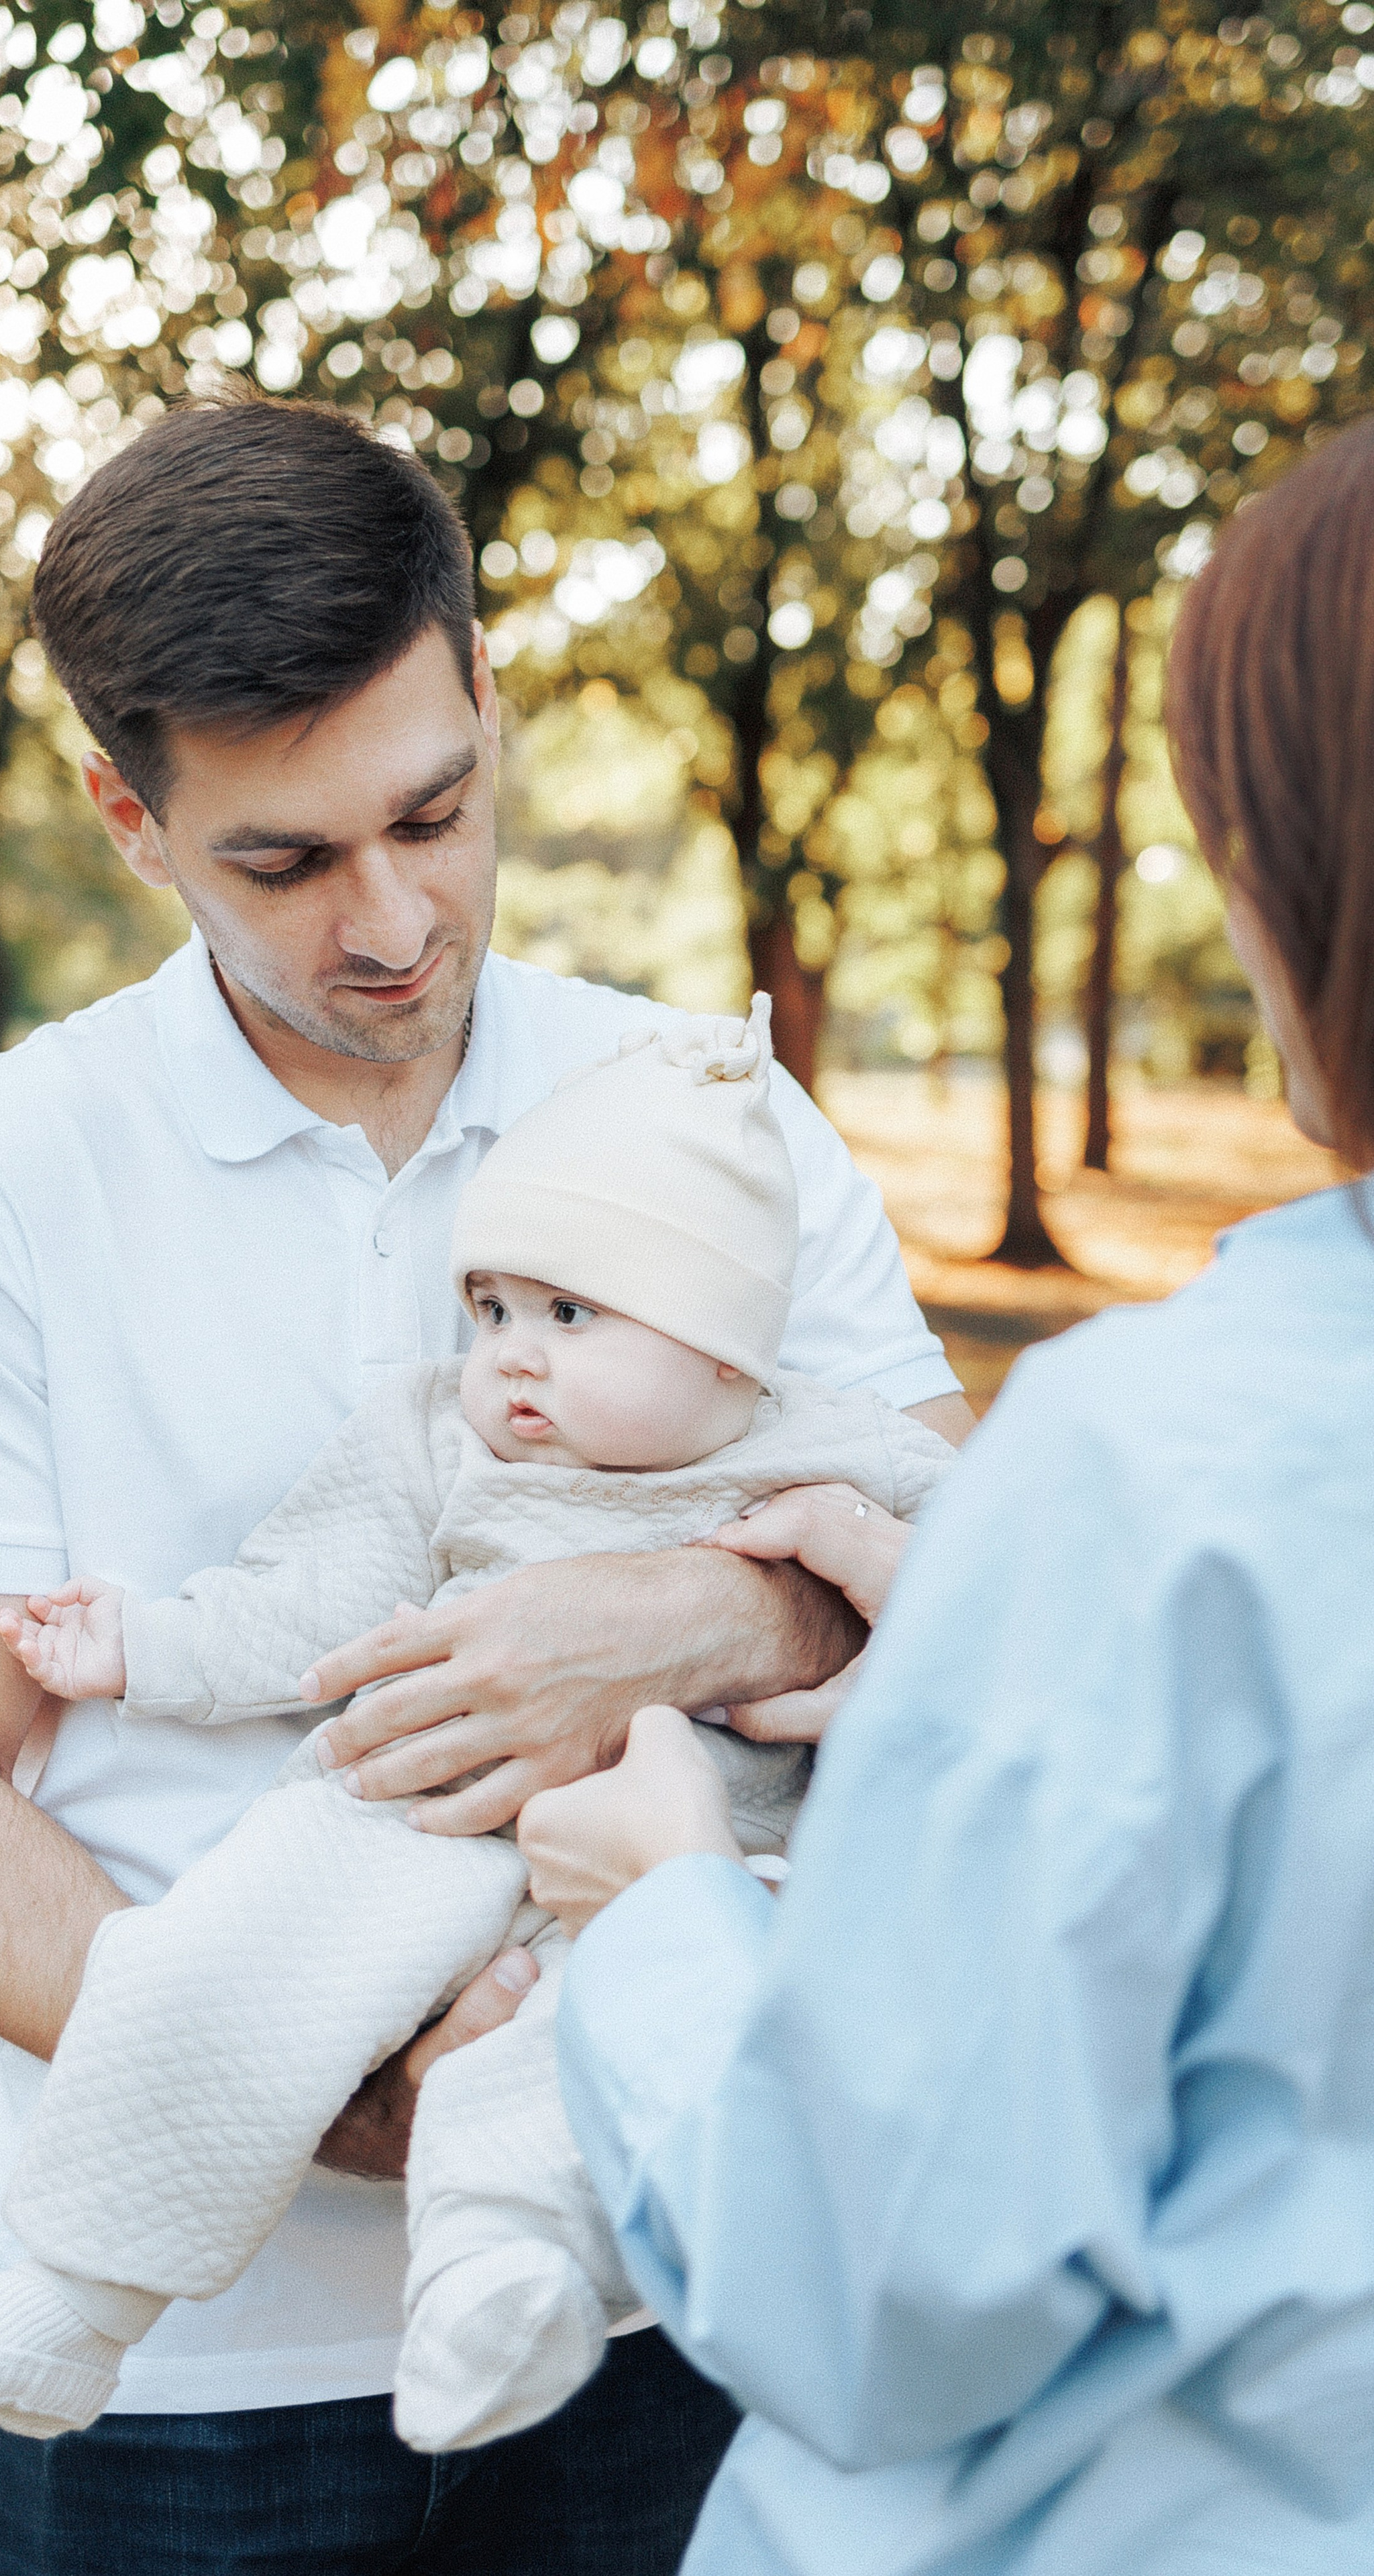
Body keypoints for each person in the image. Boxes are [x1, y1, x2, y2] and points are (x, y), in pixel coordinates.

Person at [0, 395, 969, 2576]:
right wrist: (357, 2104)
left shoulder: (712, 1113)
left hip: (672, 2296)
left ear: (490, 691)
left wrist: (729, 1614)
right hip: (179, 2398)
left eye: (437, 809)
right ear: (126, 819)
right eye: (288, 860)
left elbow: (969, 1608)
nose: (398, 918)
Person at [520, 416, 1374, 2574]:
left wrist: (660, 1924)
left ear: (1291, 866)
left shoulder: (1160, 1475)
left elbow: (881, 2285)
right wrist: (977, 1690)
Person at [0, 996, 955, 2455]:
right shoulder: (433, 1439)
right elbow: (304, 1603)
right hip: (412, 1812)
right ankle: (78, 2286)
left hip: (690, 1862)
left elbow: (994, 1597)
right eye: (493, 1309)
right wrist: (140, 1644)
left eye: (570, 1314)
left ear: (723, 1355)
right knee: (211, 1959)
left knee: (576, 2049)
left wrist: (851, 1545)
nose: (512, 1356)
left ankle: (497, 2288)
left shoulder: (828, 1443)